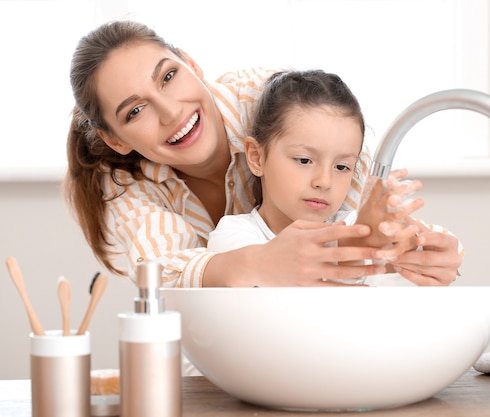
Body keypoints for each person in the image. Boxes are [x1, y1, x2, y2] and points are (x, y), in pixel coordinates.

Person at [64, 20, 462, 288]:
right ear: (116, 139)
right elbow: (160, 275)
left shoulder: (270, 101)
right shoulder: (124, 182)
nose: (171, 112)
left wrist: (421, 253)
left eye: (168, 76)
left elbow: (357, 216)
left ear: (191, 63)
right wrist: (257, 263)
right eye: (135, 111)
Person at [207, 69, 431, 283]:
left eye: (342, 167)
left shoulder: (354, 222)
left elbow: (408, 262)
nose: (324, 182)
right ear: (257, 157)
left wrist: (401, 239)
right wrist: (358, 243)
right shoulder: (233, 236)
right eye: (304, 160)